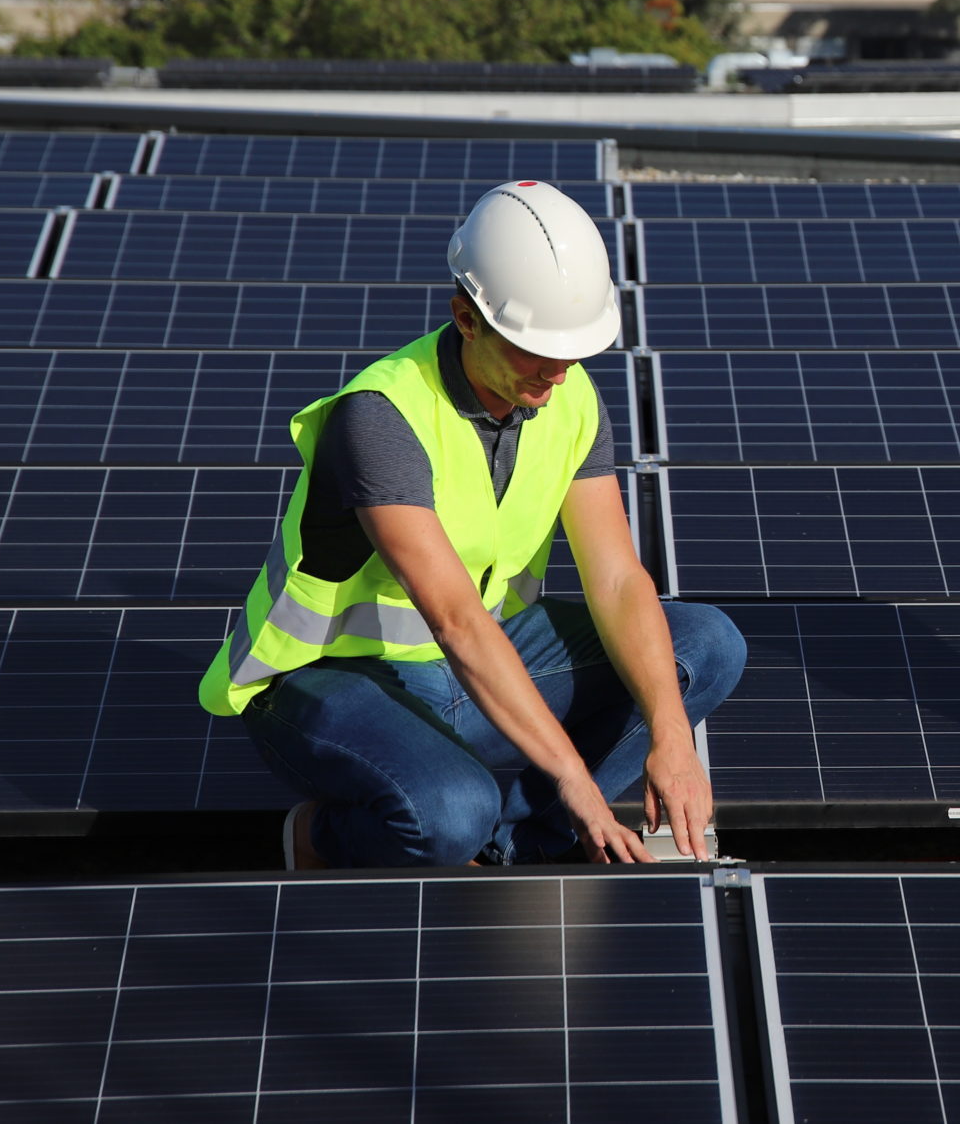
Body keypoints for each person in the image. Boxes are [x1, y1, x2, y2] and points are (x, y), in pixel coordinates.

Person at [198, 180, 744, 868]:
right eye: (533, 348)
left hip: (472, 673)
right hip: (332, 682)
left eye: (572, 350)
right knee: (451, 811)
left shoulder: (567, 395)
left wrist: (672, 736)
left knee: (706, 644)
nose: (557, 371)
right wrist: (577, 780)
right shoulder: (382, 416)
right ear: (466, 317)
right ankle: (322, 839)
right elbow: (455, 617)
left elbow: (615, 578)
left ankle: (516, 847)